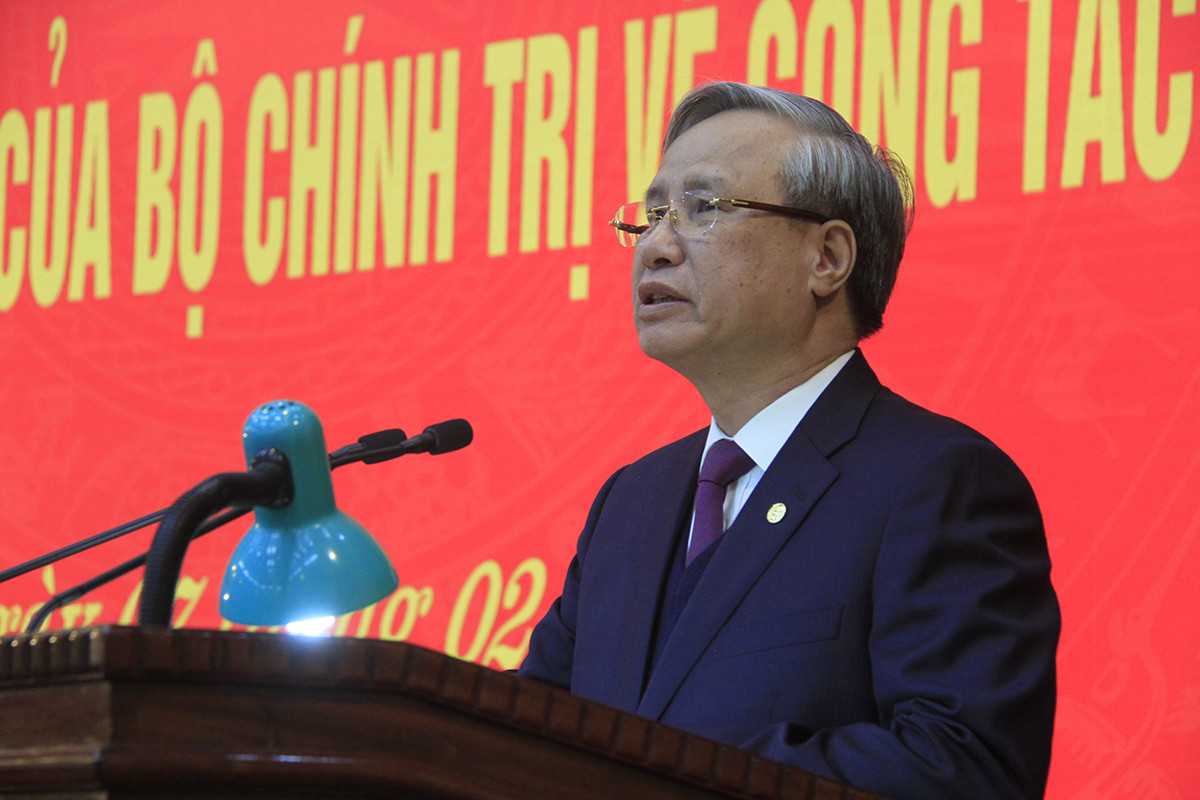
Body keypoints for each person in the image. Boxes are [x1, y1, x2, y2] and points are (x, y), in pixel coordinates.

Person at [518, 82, 1059, 800]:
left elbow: (961, 768)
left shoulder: (934, 483)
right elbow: (520, 742)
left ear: (827, 258)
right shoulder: (631, 503)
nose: (655, 246)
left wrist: (664, 771)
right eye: (652, 215)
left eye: (703, 208)